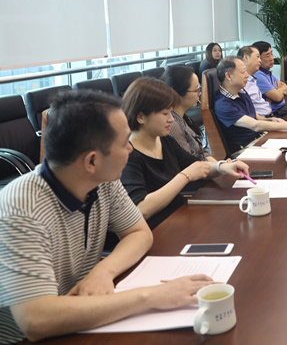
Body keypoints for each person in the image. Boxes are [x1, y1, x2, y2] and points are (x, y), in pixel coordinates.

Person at [0, 90, 215, 343]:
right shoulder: (21, 208)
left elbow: (139, 232)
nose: (131, 149)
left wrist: (102, 271)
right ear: (91, 161)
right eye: (124, 143)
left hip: (87, 316)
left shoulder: (102, 180)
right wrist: (153, 296)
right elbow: (36, 320)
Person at [121, 78, 249, 229]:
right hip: (156, 231)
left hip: (179, 218)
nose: (171, 119)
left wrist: (222, 167)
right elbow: (142, 209)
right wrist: (185, 176)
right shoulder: (127, 155)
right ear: (141, 117)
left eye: (171, 112)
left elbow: (197, 167)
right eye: (165, 113)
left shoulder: (165, 141)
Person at [215, 57, 287, 151]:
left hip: (260, 138)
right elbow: (255, 125)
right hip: (246, 148)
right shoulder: (223, 104)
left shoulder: (241, 92)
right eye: (243, 72)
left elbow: (255, 116)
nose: (247, 75)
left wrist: (272, 120)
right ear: (228, 76)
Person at [161, 65, 208, 161]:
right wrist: (219, 166)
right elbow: (190, 163)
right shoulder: (173, 125)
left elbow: (202, 153)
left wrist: (221, 165)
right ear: (178, 94)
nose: (199, 93)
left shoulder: (184, 118)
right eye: (196, 90)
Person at [252, 40, 287, 117]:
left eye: (271, 54)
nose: (272, 58)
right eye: (267, 56)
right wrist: (278, 92)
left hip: (283, 109)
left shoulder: (266, 72)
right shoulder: (258, 75)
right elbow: (278, 97)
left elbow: (286, 88)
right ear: (258, 58)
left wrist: (278, 91)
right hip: (276, 114)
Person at [237, 46, 273, 117]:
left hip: (269, 116)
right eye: (257, 57)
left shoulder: (252, 79)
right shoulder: (241, 83)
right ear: (246, 57)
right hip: (261, 120)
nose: (260, 61)